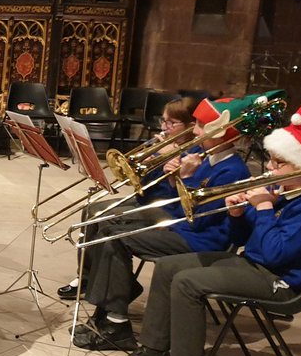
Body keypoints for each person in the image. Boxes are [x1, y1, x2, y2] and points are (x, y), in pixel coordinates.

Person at [110, 95, 301, 356]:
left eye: (279, 162)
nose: (269, 166)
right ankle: (153, 350)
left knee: (187, 282)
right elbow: (242, 239)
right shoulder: (281, 191)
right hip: (254, 264)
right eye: (270, 158)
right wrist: (237, 214)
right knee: (168, 267)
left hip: (278, 281)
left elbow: (274, 255)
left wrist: (263, 208)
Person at [73, 95, 253, 351]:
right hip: (180, 226)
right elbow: (178, 205)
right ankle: (110, 311)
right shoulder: (205, 158)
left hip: (198, 239)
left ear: (220, 134)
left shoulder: (232, 171)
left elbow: (197, 220)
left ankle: (117, 324)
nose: (196, 130)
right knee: (107, 228)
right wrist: (171, 178)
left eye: (201, 125)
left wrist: (186, 178)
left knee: (113, 235)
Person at [58, 96, 199, 300]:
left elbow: (176, 194)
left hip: (166, 209)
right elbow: (142, 182)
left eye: (171, 123)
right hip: (147, 199)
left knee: (104, 220)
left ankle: (116, 284)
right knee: (91, 209)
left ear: (190, 126)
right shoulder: (162, 143)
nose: (164, 127)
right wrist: (148, 163)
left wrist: (170, 162)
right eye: (163, 121)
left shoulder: (194, 153)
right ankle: (88, 276)